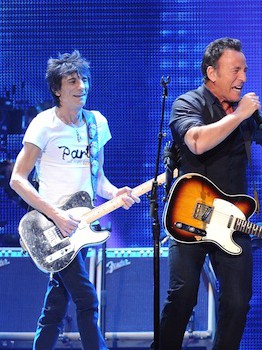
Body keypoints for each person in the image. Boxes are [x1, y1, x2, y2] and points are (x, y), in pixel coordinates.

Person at [158, 37, 262, 350]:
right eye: (235, 70)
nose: (243, 78)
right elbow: (196, 141)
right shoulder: (188, 103)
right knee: (182, 296)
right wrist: (237, 115)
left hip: (233, 220)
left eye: (245, 70)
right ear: (212, 73)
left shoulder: (246, 111)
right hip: (190, 214)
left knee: (238, 301)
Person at [9, 51, 139, 350]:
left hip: (79, 227)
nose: (82, 86)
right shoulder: (44, 125)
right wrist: (56, 215)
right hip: (50, 227)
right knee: (86, 298)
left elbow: (98, 179)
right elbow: (18, 178)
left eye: (84, 79)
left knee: (55, 306)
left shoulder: (97, 124)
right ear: (57, 89)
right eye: (73, 80)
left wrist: (116, 192)